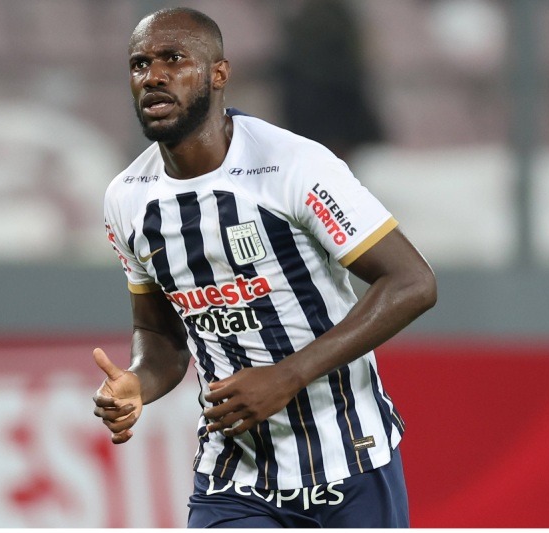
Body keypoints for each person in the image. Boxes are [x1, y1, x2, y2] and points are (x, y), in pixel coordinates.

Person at [93, 6, 437, 528]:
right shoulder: (127, 199)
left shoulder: (293, 165)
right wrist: (138, 383)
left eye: (174, 59)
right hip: (236, 478)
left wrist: (288, 376)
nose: (154, 76)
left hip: (350, 461)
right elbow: (161, 337)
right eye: (140, 64)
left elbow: (412, 282)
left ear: (219, 74)